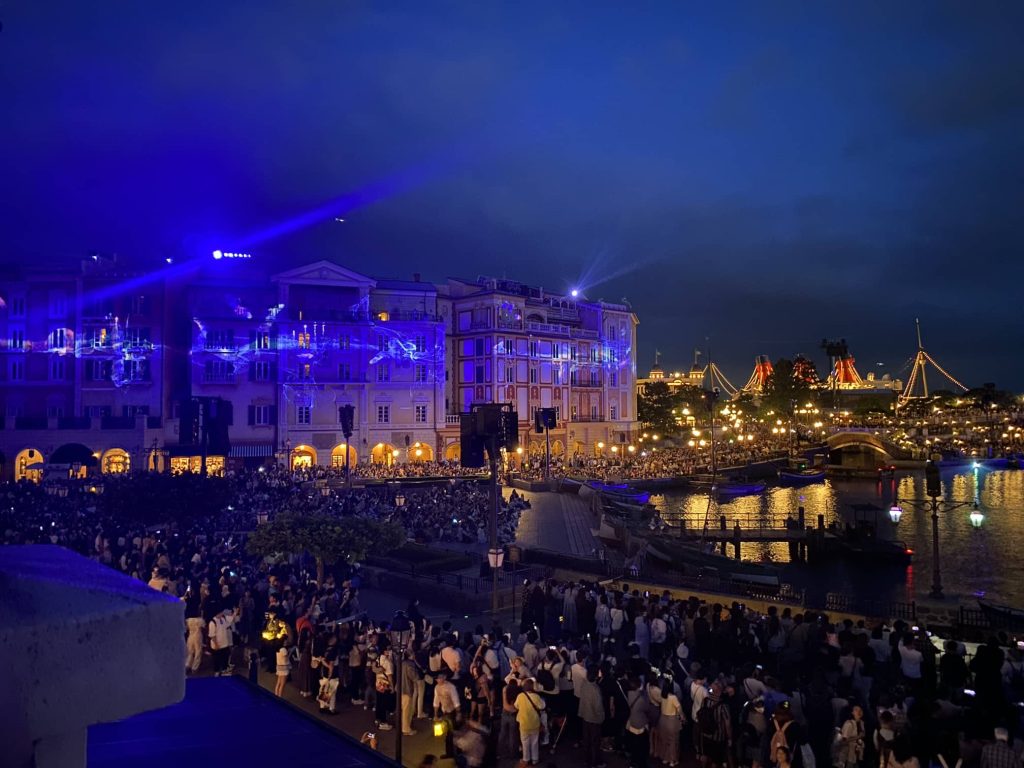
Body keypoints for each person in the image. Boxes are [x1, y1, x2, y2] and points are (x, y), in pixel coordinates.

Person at [577, 665, 606, 768]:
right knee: (595, 742)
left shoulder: (584, 684)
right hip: (594, 719)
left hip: (585, 716)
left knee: (587, 740)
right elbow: (598, 708)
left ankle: (587, 760)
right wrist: (602, 718)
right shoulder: (596, 689)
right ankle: (595, 762)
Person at [514, 678, 546, 767]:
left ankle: (526, 759)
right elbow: (542, 706)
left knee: (525, 742)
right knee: (534, 742)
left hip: (524, 724)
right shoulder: (536, 697)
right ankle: (535, 759)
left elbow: (516, 706)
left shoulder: (520, 696)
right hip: (535, 724)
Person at [656, 677, 685, 767]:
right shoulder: (673, 697)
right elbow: (679, 709)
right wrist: (683, 718)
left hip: (662, 719)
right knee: (673, 741)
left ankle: (665, 758)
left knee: (664, 740)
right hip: (672, 720)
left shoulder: (662, 695)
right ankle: (673, 760)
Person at [433, 669, 460, 759]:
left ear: (444, 677)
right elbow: (436, 701)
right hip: (445, 712)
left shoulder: (450, 687)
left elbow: (456, 701)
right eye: (437, 678)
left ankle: (456, 752)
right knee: (449, 734)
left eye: (439, 678)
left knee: (453, 733)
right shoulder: (437, 688)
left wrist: (458, 713)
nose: (438, 680)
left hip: (452, 713)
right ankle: (451, 753)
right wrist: (436, 715)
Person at [208, 607, 237, 676]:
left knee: (225, 658)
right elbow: (212, 635)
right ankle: (217, 672)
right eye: (221, 612)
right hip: (217, 646)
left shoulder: (223, 619)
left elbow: (228, 624)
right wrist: (216, 644)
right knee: (217, 660)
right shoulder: (212, 622)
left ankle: (224, 671)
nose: (222, 614)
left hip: (225, 644)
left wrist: (235, 613)